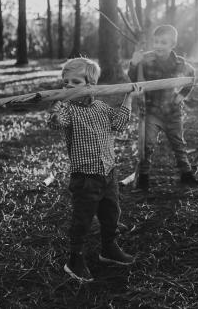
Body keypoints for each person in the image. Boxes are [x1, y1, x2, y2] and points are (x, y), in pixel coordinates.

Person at [48, 57, 142, 282]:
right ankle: (75, 259)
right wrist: (56, 106)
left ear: (90, 85)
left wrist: (129, 97)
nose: (68, 85)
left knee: (111, 214)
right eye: (65, 81)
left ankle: (108, 248)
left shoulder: (101, 107)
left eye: (75, 81)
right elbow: (55, 123)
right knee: (82, 219)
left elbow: (119, 124)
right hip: (85, 178)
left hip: (108, 173)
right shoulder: (68, 111)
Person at [128, 24, 198, 190]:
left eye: (163, 42)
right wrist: (133, 63)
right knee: (148, 144)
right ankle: (144, 177)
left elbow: (192, 76)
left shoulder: (180, 63)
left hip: (172, 113)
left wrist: (181, 96)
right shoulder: (146, 60)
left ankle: (186, 174)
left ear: (172, 45)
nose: (158, 46)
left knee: (178, 144)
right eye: (156, 42)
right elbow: (134, 79)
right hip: (151, 111)